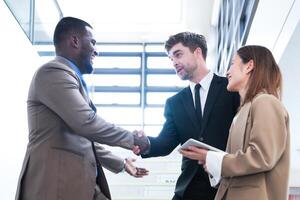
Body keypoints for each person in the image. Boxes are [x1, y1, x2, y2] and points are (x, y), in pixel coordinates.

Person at [15, 17, 148, 200]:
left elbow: (84, 139)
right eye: (92, 42)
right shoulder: (53, 73)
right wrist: (132, 139)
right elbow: (86, 123)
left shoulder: (69, 78)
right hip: (55, 186)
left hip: (80, 185)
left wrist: (122, 163)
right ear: (75, 41)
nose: (96, 51)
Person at [135, 32, 240, 200]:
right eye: (171, 59)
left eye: (178, 55)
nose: (174, 63)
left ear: (197, 52)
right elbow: (165, 143)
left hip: (226, 185)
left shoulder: (230, 89)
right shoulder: (174, 103)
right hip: (189, 189)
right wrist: (144, 143)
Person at [180, 45, 290, 200]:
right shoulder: (243, 110)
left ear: (249, 66)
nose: (227, 72)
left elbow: (262, 157)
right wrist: (212, 164)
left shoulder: (265, 102)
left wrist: (213, 158)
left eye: (232, 63)